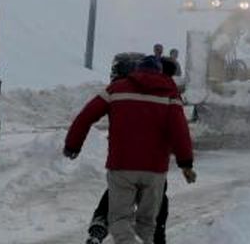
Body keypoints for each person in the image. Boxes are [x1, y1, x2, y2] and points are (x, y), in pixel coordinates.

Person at [65, 55, 195, 244]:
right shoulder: (170, 95)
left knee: (119, 220)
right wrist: (186, 164)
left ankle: (101, 223)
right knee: (147, 224)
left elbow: (85, 116)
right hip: (155, 170)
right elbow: (180, 131)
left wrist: (72, 145)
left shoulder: (116, 89)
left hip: (122, 165)